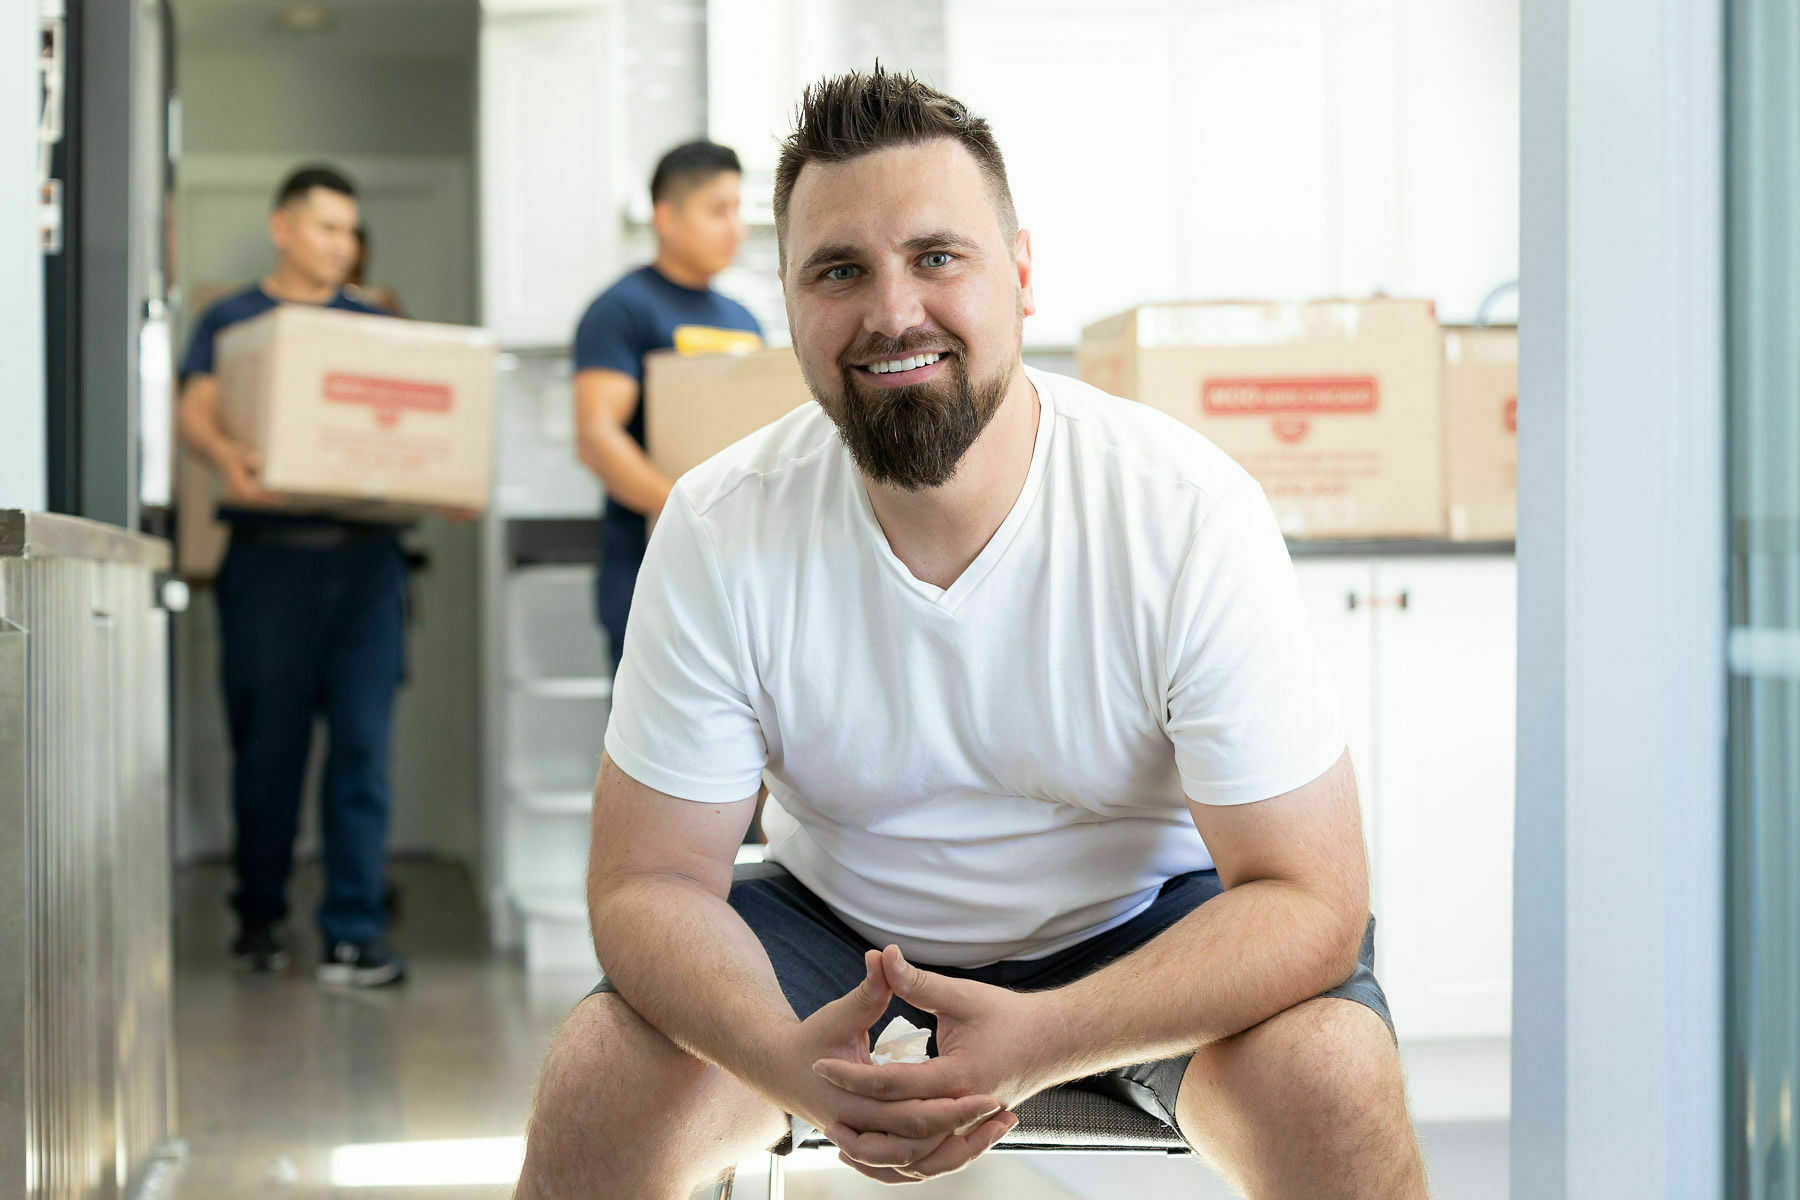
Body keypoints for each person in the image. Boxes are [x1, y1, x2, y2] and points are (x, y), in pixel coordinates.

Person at [516, 68, 1428, 1199]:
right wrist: (785, 1060)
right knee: (599, 1077)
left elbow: (1312, 898)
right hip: (836, 935)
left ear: (1022, 275)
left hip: (1142, 928)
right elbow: (648, 883)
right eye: (839, 270)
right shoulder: (719, 523)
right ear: (792, 304)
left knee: (1334, 1078)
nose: (892, 311)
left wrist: (1046, 1035)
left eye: (937, 257)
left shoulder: (1183, 511)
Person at [176, 164, 414, 988]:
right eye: (326, 228)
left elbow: (420, 417)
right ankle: (259, 918)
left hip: (366, 566)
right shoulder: (233, 320)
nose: (342, 245)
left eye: (350, 231)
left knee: (361, 750)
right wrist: (221, 456)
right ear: (283, 228)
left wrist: (440, 481)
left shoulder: (375, 324)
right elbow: (194, 405)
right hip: (268, 562)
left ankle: (353, 931)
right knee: (267, 749)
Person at [570, 140, 762, 675]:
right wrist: (689, 518)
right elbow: (596, 436)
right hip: (650, 567)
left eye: (738, 212)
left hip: (739, 572)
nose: (736, 228)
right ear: (667, 218)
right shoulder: (621, 310)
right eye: (717, 211)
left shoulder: (743, 320)